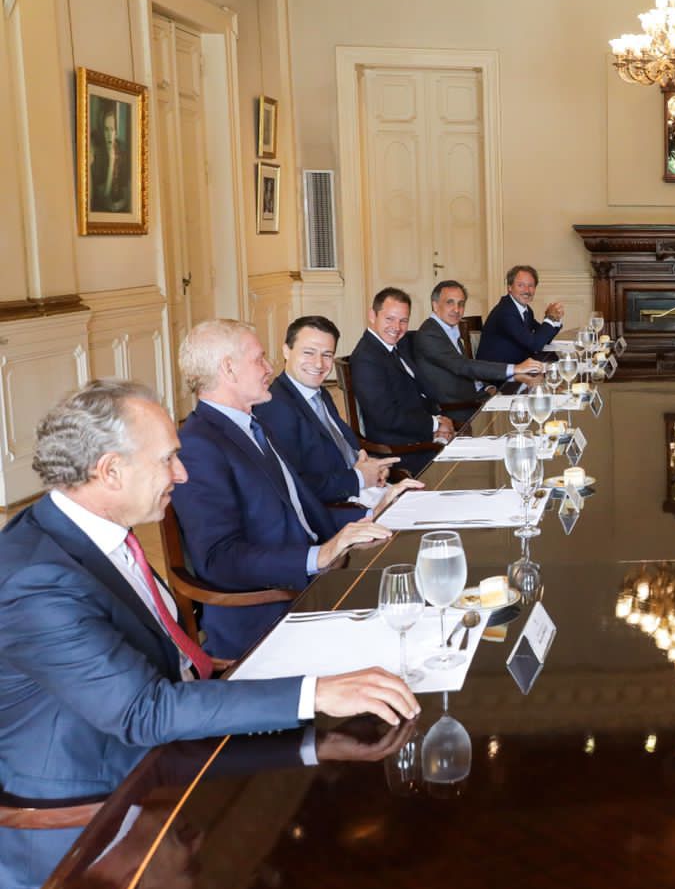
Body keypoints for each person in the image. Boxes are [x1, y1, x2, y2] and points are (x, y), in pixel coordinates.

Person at [0, 379, 420, 804]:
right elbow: (145, 712)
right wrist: (316, 692)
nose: (181, 475)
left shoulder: (92, 534)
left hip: (176, 727)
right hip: (105, 790)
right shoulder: (37, 580)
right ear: (110, 471)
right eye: (168, 459)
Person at [171, 320, 409, 658]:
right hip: (271, 609)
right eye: (259, 358)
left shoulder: (252, 425)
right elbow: (219, 559)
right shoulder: (198, 446)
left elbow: (299, 511)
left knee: (414, 577)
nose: (270, 368)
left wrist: (373, 512)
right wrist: (319, 555)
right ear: (228, 368)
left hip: (312, 583)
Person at [254, 315, 397, 506]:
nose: (319, 364)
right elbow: (295, 485)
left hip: (365, 490)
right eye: (309, 352)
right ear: (286, 351)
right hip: (343, 509)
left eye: (327, 355)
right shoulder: (276, 407)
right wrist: (360, 478)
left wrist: (373, 467)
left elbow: (342, 447)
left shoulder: (320, 392)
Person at [349, 287, 455, 474]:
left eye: (403, 321)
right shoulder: (367, 357)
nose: (397, 327)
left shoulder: (396, 346)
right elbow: (386, 417)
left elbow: (421, 391)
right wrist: (435, 424)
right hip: (399, 449)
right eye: (389, 319)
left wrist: (438, 421)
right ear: (372, 316)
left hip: (420, 435)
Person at [411, 279, 541, 424]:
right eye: (450, 303)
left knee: (530, 403)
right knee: (523, 415)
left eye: (461, 304)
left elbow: (466, 369)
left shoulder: (446, 328)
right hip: (459, 409)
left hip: (476, 397)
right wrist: (515, 368)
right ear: (435, 305)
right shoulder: (430, 334)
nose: (456, 309)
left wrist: (487, 386)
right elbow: (462, 366)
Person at [476, 265, 565, 365]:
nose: (527, 290)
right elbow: (534, 345)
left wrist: (555, 319)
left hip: (517, 366)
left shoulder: (525, 310)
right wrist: (550, 318)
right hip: (496, 374)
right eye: (521, 285)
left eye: (531, 286)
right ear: (509, 287)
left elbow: (543, 339)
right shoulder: (506, 312)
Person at [88, 103, 132, 215]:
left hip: (120, 208)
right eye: (106, 130)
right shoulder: (98, 153)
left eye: (112, 130)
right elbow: (103, 196)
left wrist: (121, 204)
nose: (109, 134)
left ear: (116, 132)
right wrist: (111, 163)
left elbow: (127, 191)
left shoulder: (123, 151)